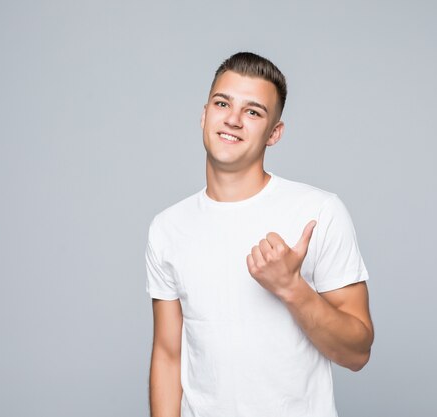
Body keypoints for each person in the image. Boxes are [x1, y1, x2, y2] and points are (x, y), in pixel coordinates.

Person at [145, 51, 374, 417]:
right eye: (223, 103)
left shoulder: (319, 213)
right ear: (205, 115)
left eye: (253, 112)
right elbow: (168, 356)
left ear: (274, 133)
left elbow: (357, 352)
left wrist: (291, 288)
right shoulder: (167, 228)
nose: (233, 120)